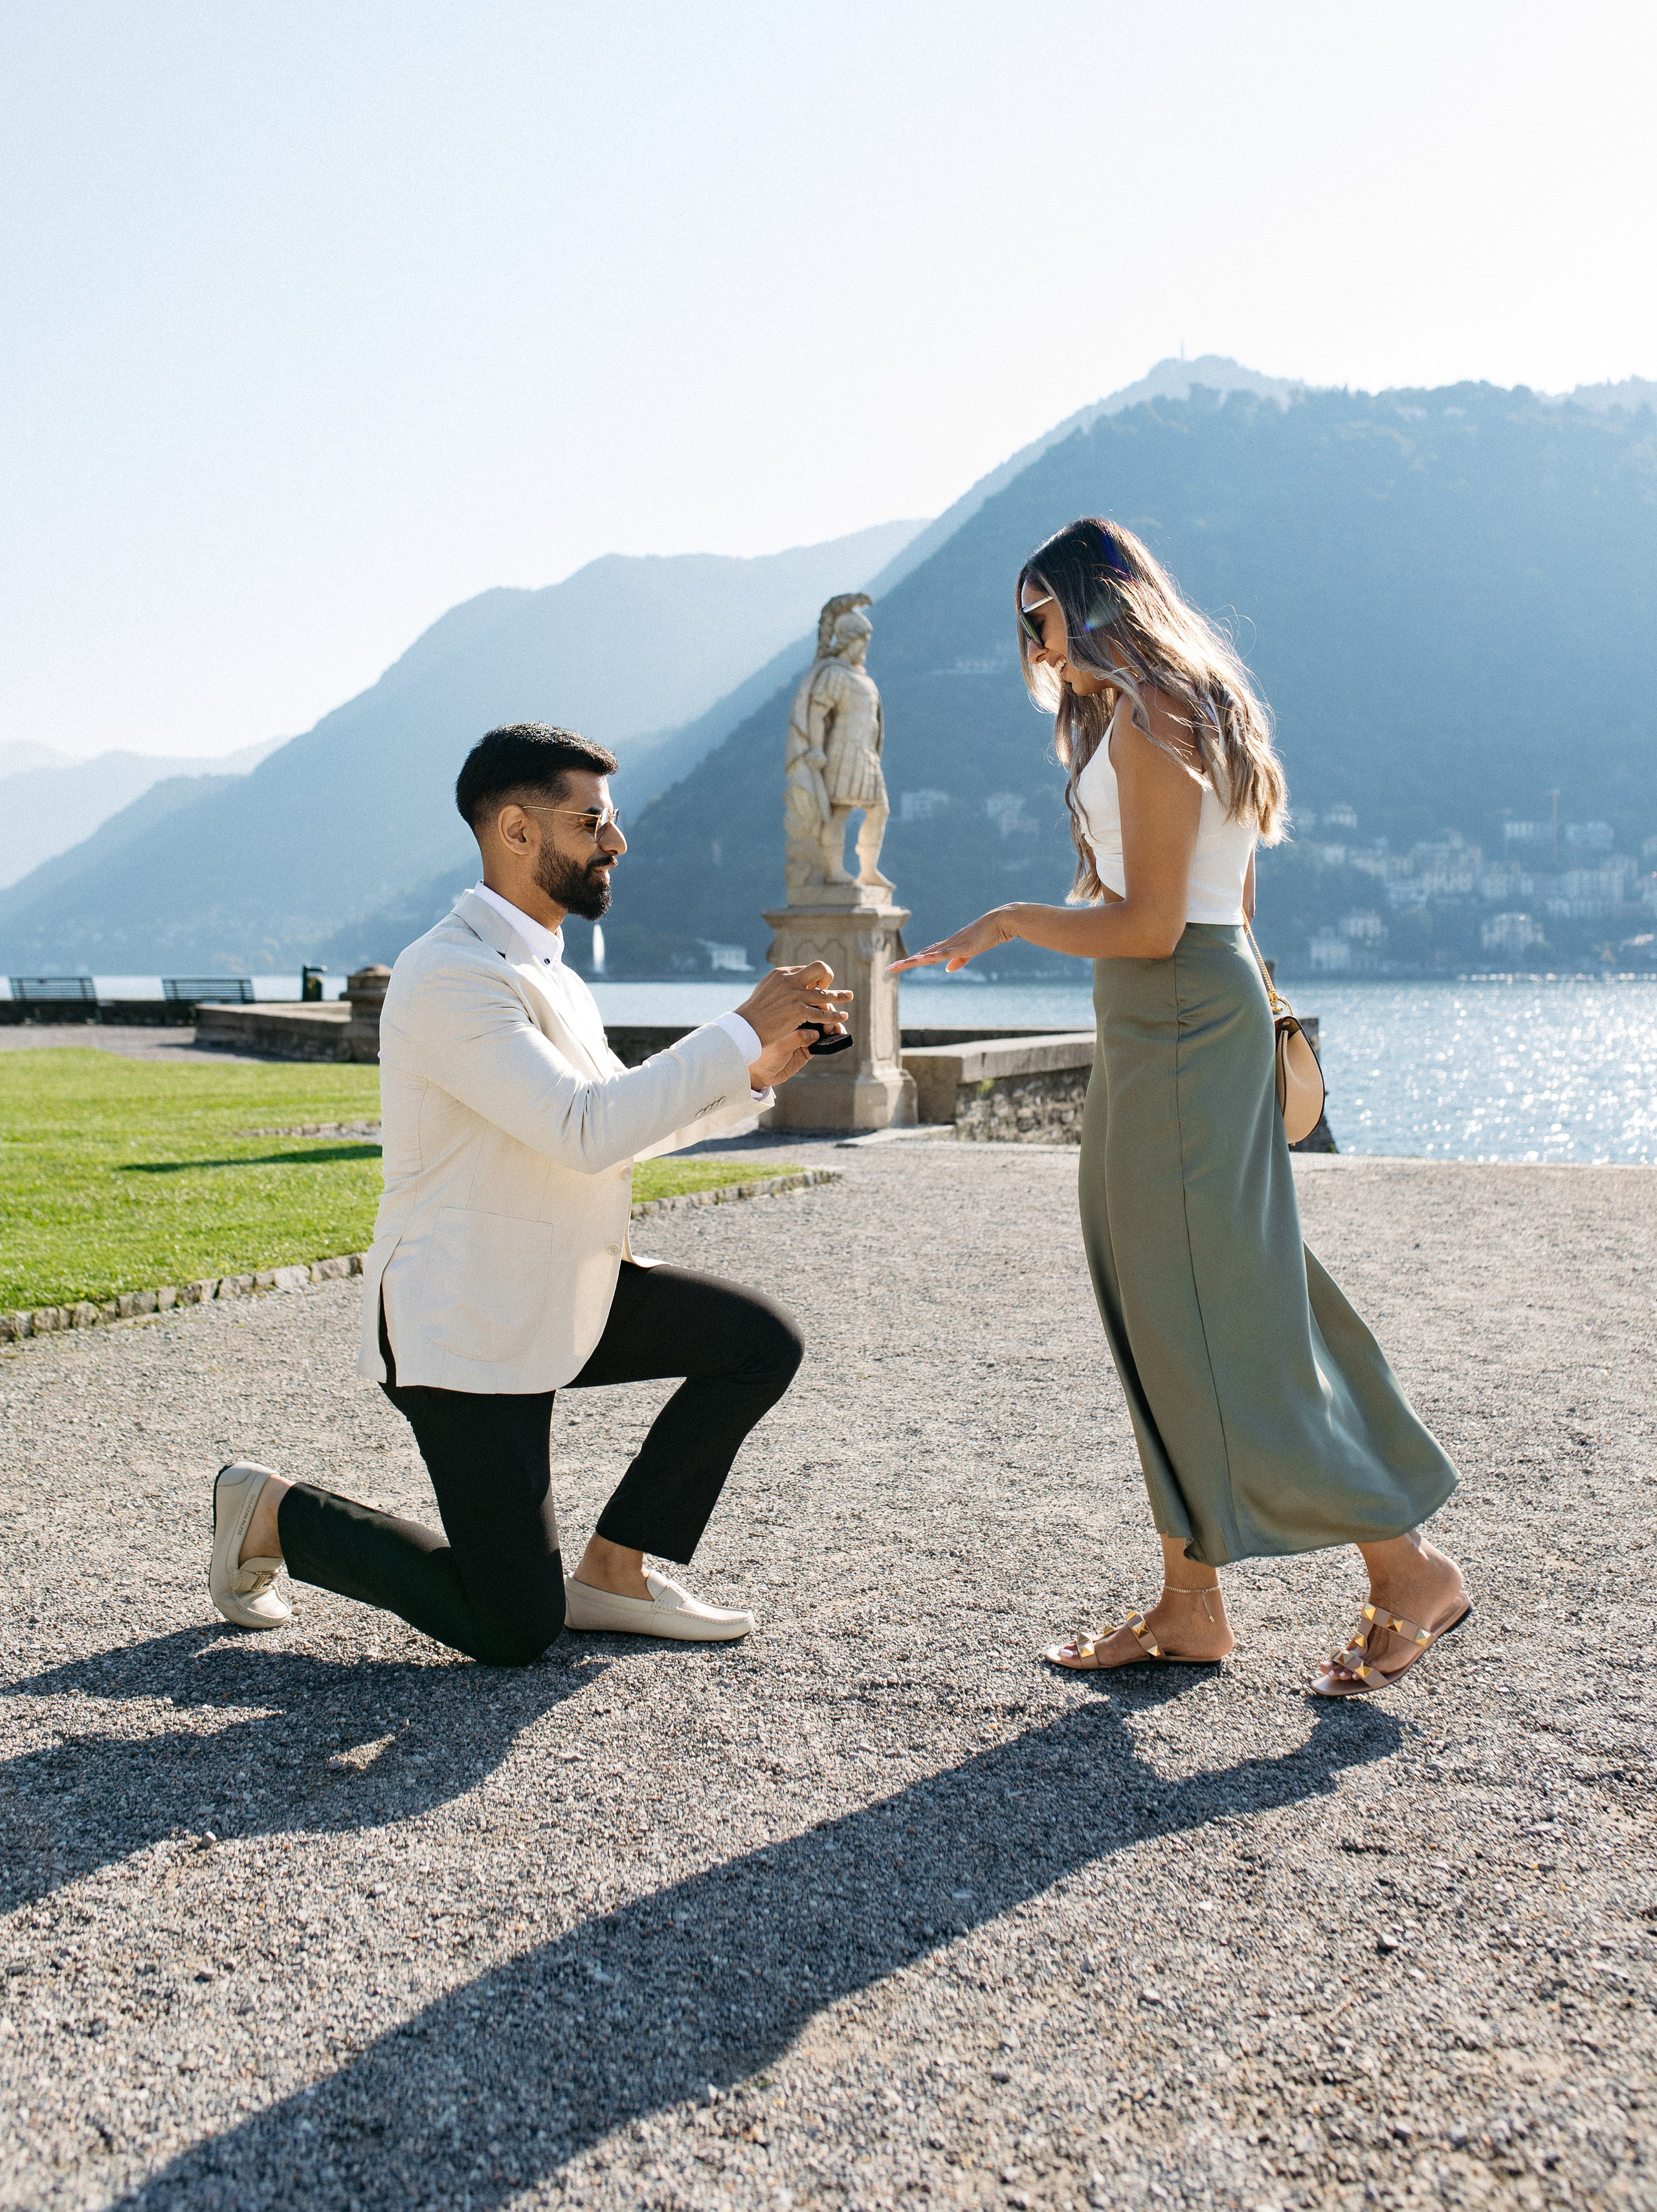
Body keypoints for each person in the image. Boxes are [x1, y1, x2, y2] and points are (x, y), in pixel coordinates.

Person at [894, 520, 1468, 1698]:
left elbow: (1159, 924)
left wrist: (1008, 920)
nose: (1033, 644)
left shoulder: (1152, 714)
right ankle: (1190, 1604)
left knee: (1219, 1312)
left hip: (1171, 1017)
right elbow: (1227, 902)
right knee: (1186, 1302)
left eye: (1040, 615)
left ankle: (1404, 1567)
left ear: (1094, 602)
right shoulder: (1160, 711)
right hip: (1173, 1020)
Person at [208, 722, 849, 1666]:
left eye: (612, 819)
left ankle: (616, 1571)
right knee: (511, 1629)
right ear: (516, 830)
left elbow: (613, 1126)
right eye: (593, 820)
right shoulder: (449, 975)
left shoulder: (552, 973)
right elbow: (582, 1128)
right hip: (465, 1320)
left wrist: (753, 1070)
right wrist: (736, 1022)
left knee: (760, 1344)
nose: (617, 841)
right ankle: (272, 1513)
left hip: (563, 1289)